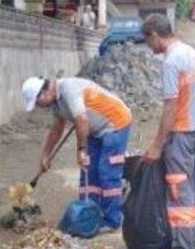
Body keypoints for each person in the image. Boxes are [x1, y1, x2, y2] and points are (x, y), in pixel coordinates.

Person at [142, 14, 195, 249]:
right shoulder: (192, 53)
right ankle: (192, 241)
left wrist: (157, 145)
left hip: (183, 135)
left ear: (154, 35)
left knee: (179, 192)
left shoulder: (171, 61)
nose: (149, 48)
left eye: (147, 41)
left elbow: (170, 107)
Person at [21, 75, 132, 230]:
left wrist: (81, 150)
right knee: (89, 171)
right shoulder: (56, 103)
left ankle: (112, 220)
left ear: (44, 92)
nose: (39, 107)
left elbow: (82, 120)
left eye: (38, 103)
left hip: (115, 122)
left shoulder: (68, 89)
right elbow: (57, 129)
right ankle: (91, 213)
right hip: (95, 129)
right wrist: (46, 155)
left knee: (107, 172)